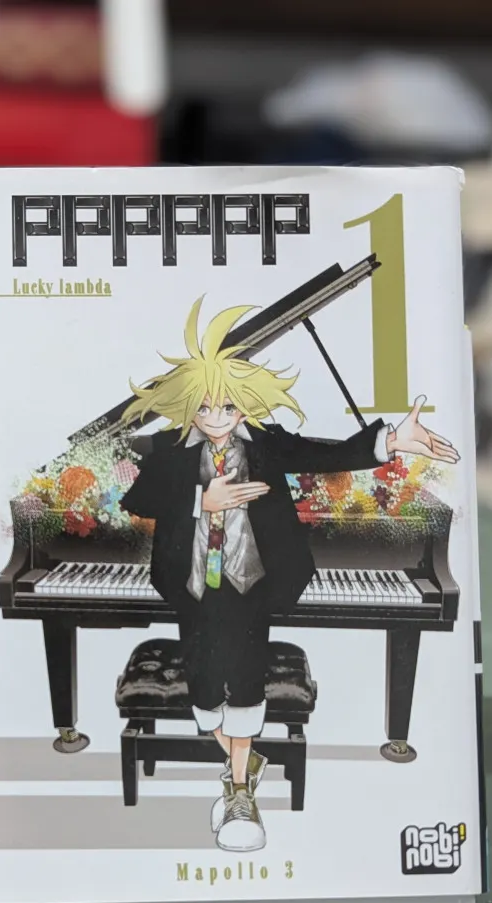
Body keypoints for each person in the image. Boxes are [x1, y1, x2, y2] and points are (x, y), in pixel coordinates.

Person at [120, 297, 459, 852]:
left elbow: (327, 455)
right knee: (203, 694)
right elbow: (138, 500)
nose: (216, 415)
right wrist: (202, 501)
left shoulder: (268, 445)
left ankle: (238, 795)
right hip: (194, 589)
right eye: (204, 405)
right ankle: (245, 761)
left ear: (244, 407)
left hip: (252, 586)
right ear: (188, 406)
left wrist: (391, 441)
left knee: (245, 682)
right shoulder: (167, 451)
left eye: (228, 405)